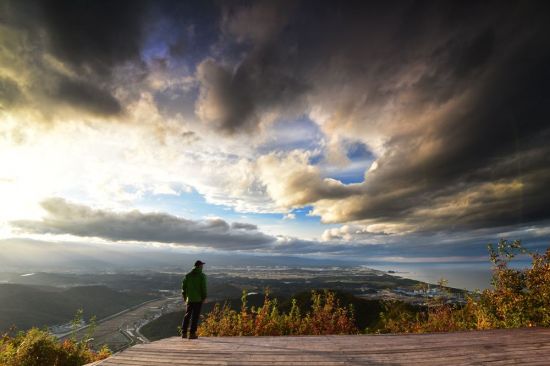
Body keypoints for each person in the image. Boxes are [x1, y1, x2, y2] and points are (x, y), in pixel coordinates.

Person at [181, 260, 207, 339]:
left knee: (187, 315)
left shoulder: (187, 275)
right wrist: (204, 297)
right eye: (202, 265)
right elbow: (203, 288)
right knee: (195, 316)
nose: (202, 267)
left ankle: (184, 333)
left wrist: (185, 297)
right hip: (198, 299)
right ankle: (192, 334)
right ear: (199, 266)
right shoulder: (202, 276)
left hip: (190, 299)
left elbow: (183, 288)